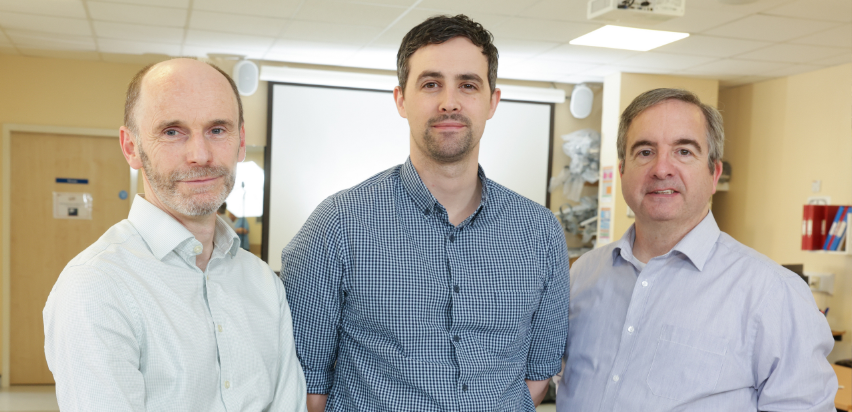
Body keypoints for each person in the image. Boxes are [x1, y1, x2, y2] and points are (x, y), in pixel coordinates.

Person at [281, 14, 570, 412]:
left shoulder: (540, 232)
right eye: (431, 84)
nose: (449, 101)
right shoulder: (337, 225)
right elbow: (307, 385)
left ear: (492, 102)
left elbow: (538, 374)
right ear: (401, 100)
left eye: (468, 85)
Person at [43, 58, 306, 411]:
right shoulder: (95, 286)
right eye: (172, 131)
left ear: (241, 142)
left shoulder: (261, 280)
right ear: (131, 147)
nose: (200, 155)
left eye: (217, 130)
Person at [558, 88, 837, 411]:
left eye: (684, 151)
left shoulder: (773, 294)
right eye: (645, 151)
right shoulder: (583, 275)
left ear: (714, 173)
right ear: (622, 170)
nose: (662, 169)